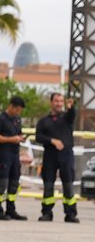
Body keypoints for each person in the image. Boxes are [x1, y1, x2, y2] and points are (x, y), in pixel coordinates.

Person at [36, 92, 79, 223]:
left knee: (68, 184)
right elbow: (39, 137)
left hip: (66, 155)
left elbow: (72, 115)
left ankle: (70, 213)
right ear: (51, 102)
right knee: (48, 184)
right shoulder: (44, 121)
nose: (59, 104)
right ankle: (47, 213)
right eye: (56, 101)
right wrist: (52, 141)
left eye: (61, 101)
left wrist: (71, 107)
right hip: (50, 155)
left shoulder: (67, 118)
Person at [0, 95, 28, 220]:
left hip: (14, 154)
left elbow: (18, 133)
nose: (18, 113)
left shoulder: (17, 119)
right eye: (17, 110)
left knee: (14, 183)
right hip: (4, 153)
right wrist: (11, 139)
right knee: (2, 182)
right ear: (11, 106)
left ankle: (11, 209)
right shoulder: (0, 119)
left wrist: (20, 138)